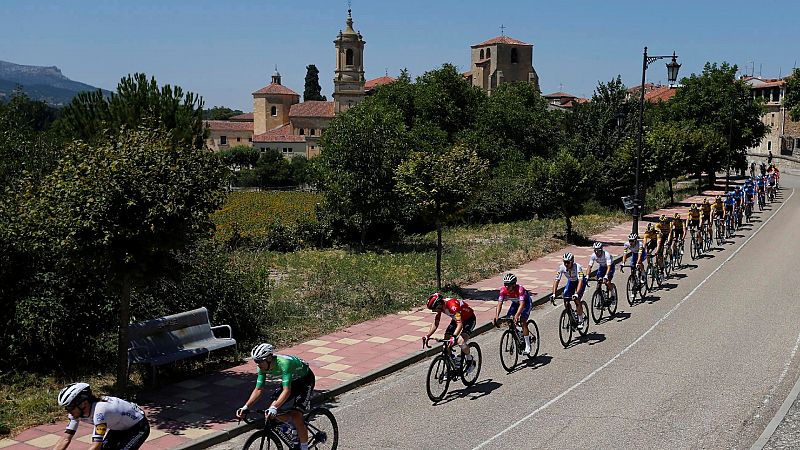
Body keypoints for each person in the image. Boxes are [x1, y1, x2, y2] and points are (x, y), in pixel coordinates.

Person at [237, 344, 316, 450]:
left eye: (260, 361)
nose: (258, 364)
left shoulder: (284, 364)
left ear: (269, 358)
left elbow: (287, 391)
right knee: (270, 411)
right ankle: (290, 425)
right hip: (292, 381)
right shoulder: (262, 367)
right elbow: (258, 389)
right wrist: (245, 407)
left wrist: (274, 408)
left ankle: (304, 447)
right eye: (256, 361)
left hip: (305, 381)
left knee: (297, 416)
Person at [53, 383, 149, 450]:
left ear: (83, 403)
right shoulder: (76, 412)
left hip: (138, 427)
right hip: (119, 428)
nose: (68, 411)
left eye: (70, 407)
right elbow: (65, 438)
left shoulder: (100, 411)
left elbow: (96, 445)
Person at [423, 292, 476, 374]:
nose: (433, 311)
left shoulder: (453, 306)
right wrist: (427, 335)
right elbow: (436, 323)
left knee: (460, 341)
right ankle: (453, 364)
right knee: (446, 342)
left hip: (469, 319)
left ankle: (470, 360)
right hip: (456, 320)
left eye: (434, 308)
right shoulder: (441, 306)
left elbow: (460, 324)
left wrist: (454, 337)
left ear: (439, 304)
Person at [493, 273, 536, 355]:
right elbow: (499, 304)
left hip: (526, 303)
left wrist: (517, 316)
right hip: (515, 303)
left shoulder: (520, 290)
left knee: (523, 321)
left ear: (513, 285)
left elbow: (522, 304)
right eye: (505, 284)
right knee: (509, 320)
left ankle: (527, 345)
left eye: (508, 285)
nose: (506, 287)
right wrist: (497, 316)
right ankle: (519, 334)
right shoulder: (503, 290)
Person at [551, 252, 588, 329]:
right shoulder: (562, 267)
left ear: (572, 261)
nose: (566, 264)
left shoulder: (578, 267)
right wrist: (554, 294)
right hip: (571, 282)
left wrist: (577, 293)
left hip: (579, 282)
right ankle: (572, 315)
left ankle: (580, 320)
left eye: (567, 262)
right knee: (566, 299)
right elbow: (556, 280)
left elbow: (580, 281)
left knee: (576, 300)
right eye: (564, 262)